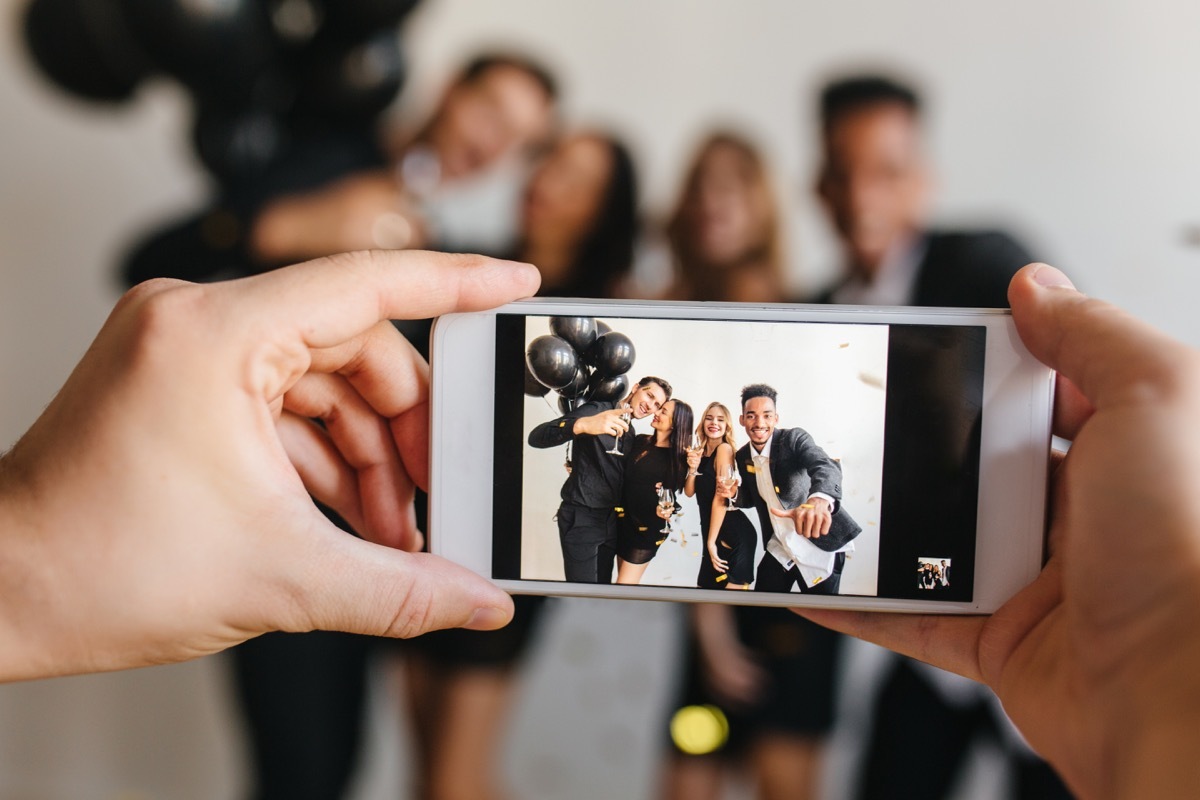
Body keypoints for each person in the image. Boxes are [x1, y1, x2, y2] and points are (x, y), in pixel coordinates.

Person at [6, 256, 1200, 796]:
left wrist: (1153, 664)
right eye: (731, 408)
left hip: (772, 565)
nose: (742, 416)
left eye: (752, 410)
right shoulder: (641, 426)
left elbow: (801, 491)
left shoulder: (779, 440)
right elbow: (619, 464)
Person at [809, 72, 1066, 799]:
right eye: (844, 173)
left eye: (887, 172)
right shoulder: (814, 310)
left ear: (924, 180)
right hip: (930, 625)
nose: (864, 196)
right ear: (819, 186)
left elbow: (1060, 379)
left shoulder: (987, 263)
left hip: (1041, 600)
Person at [400, 127, 639, 800]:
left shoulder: (612, 314)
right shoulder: (467, 270)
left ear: (603, 211)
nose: (547, 183)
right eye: (548, 163)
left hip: (514, 553)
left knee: (452, 781)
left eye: (577, 180)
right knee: (430, 775)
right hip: (421, 530)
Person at [121, 52, 558, 286]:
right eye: (491, 114)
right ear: (450, 88)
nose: (489, 147)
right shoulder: (330, 142)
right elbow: (146, 263)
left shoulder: (453, 256)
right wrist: (284, 228)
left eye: (516, 142)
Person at [719, 383, 862, 595]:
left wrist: (819, 500)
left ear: (776, 418)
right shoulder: (742, 456)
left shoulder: (794, 439)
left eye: (767, 415)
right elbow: (753, 497)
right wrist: (734, 494)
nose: (759, 423)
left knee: (819, 612)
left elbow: (825, 466)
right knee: (763, 606)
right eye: (751, 416)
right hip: (781, 545)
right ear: (742, 420)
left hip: (819, 544)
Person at [527, 376, 672, 583]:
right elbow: (536, 437)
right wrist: (583, 424)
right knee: (582, 593)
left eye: (657, 405)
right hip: (582, 516)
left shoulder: (631, 433)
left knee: (603, 591)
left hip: (611, 522)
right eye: (649, 395)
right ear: (636, 388)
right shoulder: (597, 410)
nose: (650, 406)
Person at [665, 131, 787, 302]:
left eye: (725, 187)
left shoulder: (798, 310)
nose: (707, 200)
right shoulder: (667, 302)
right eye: (696, 187)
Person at [615, 399, 694, 585]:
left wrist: (665, 509)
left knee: (623, 587)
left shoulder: (678, 458)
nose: (656, 412)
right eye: (659, 409)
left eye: (663, 411)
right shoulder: (640, 440)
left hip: (647, 529)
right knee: (624, 589)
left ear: (675, 423)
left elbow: (669, 495)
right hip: (623, 521)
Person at [689, 402, 757, 591]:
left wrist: (711, 542)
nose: (714, 423)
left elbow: (721, 498)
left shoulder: (724, 449)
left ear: (727, 426)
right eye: (709, 418)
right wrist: (692, 468)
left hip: (731, 531)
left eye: (720, 420)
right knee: (705, 592)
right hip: (711, 529)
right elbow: (689, 492)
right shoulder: (700, 452)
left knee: (729, 599)